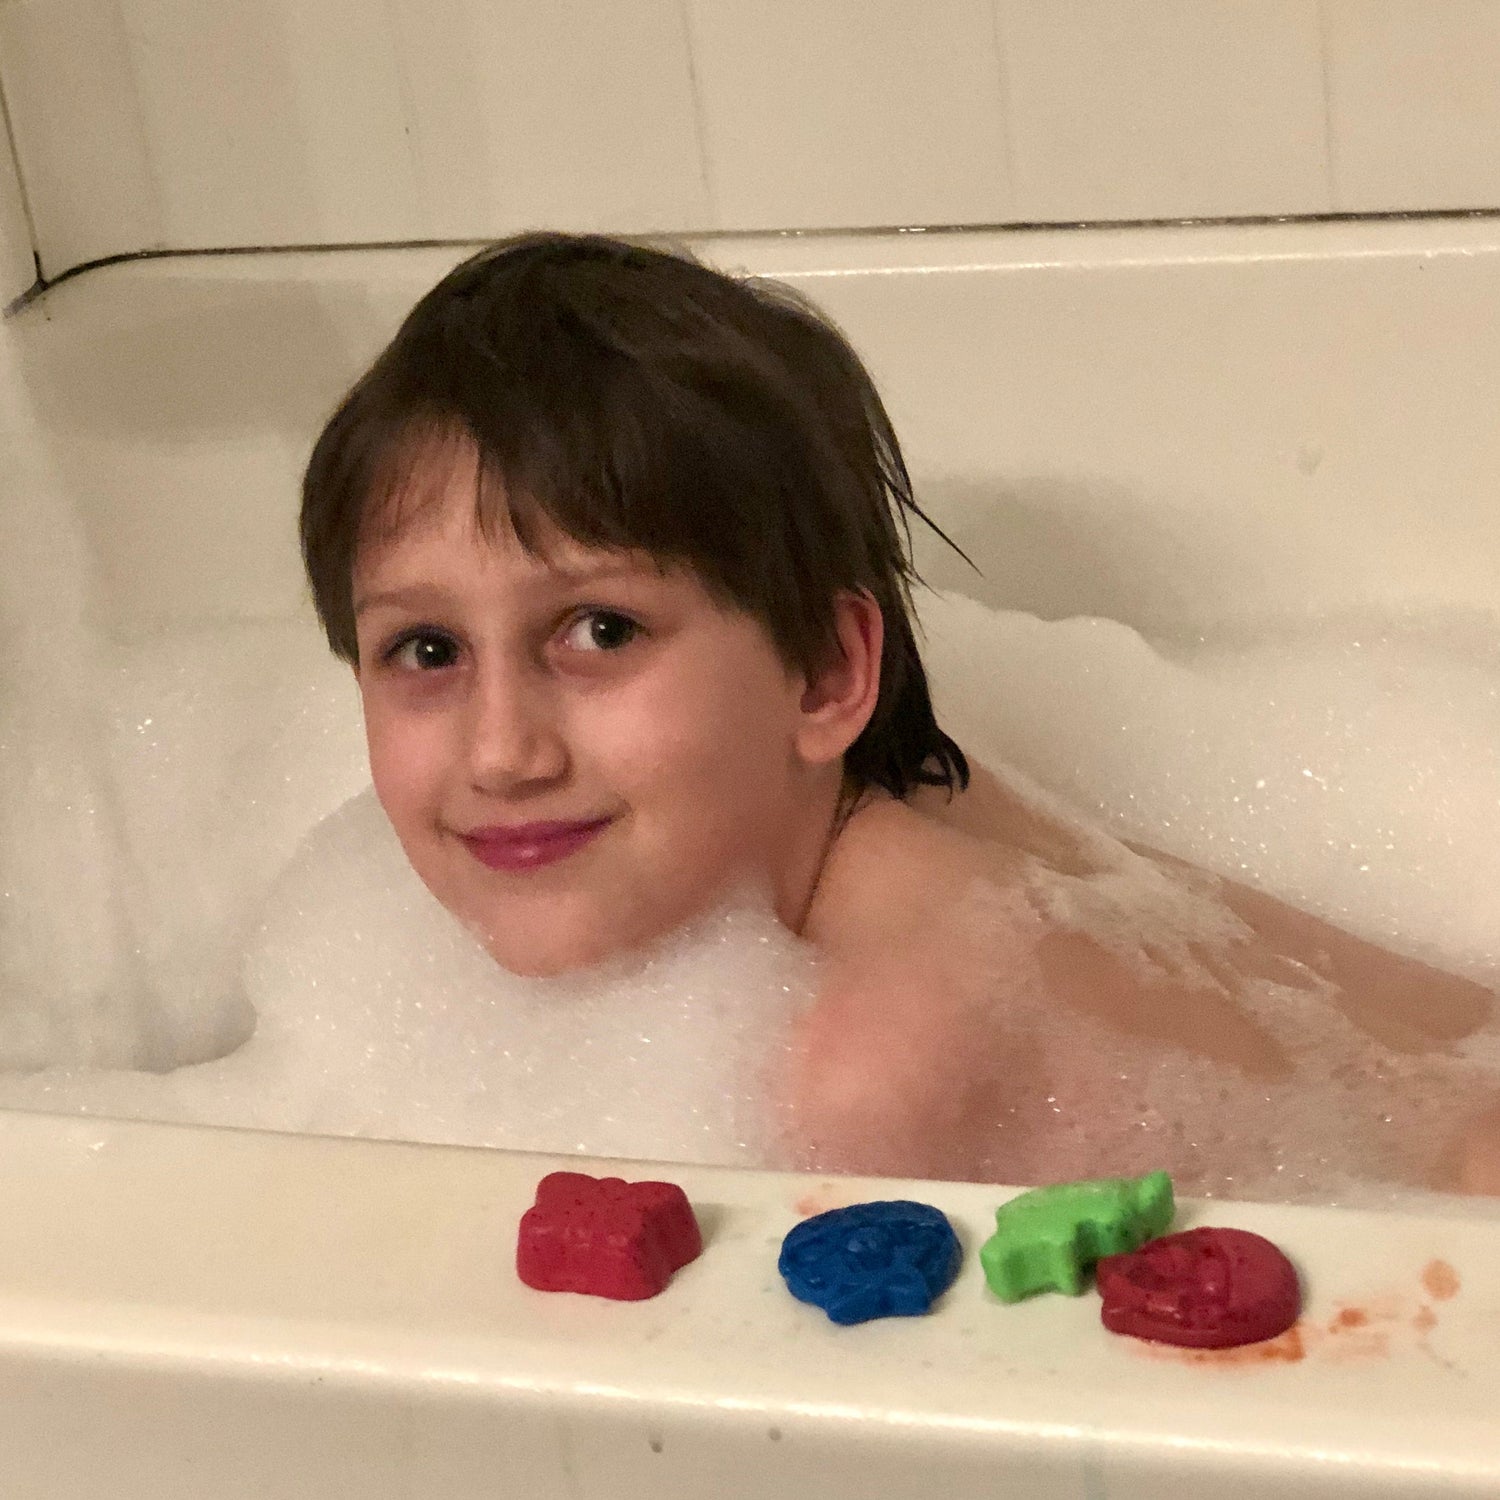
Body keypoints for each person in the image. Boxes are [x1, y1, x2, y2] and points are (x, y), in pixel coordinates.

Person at [300, 232, 1499, 1195]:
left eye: (600, 630)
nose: (503, 751)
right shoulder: (923, 797)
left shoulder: (863, 1081)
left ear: (827, 675)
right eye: (426, 648)